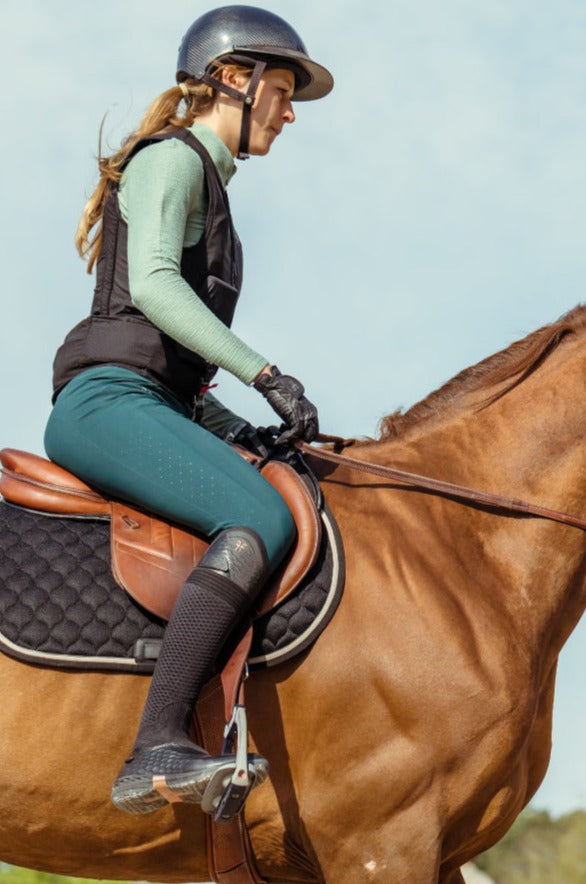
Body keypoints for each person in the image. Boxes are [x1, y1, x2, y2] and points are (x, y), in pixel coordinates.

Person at [44, 5, 333, 815]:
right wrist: (266, 373)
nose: (290, 112)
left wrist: (247, 430)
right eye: (281, 90)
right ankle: (157, 744)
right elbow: (154, 289)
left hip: (156, 402)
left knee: (275, 485)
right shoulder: (170, 160)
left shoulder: (216, 191)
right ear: (232, 82)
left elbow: (179, 374)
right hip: (105, 402)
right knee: (259, 520)